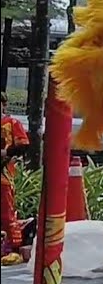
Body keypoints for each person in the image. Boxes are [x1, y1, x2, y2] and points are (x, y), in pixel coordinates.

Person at [1, 92, 31, 259]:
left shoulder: (12, 123)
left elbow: (23, 145)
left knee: (6, 212)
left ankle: (13, 247)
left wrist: (7, 152)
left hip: (4, 175)